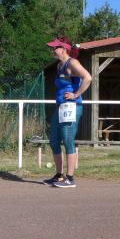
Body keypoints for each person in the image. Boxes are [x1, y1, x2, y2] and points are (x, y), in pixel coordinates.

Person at [43, 36, 92, 188]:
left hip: (71, 107)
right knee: (54, 140)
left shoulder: (72, 63)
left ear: (63, 49)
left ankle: (70, 178)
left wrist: (76, 94)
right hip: (61, 107)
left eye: (55, 48)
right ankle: (59, 175)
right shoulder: (59, 65)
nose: (53, 50)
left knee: (68, 140)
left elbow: (88, 78)